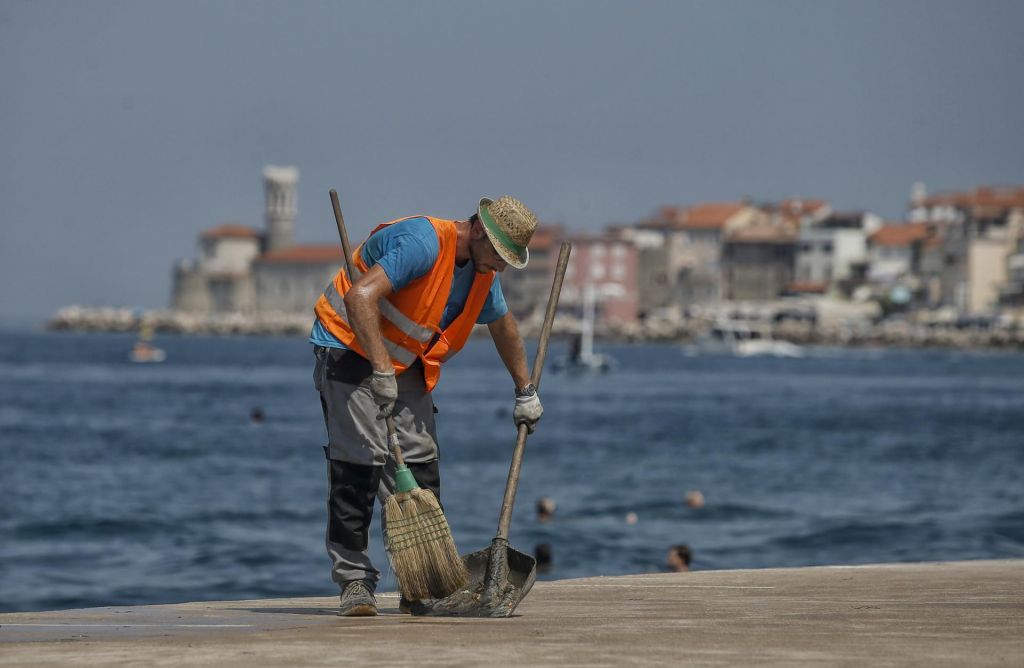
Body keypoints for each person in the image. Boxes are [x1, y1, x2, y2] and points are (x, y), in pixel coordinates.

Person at [311, 195, 544, 616]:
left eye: (509, 259)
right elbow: (360, 298)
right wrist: (381, 371)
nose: (501, 267)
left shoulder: (481, 272)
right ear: (476, 230)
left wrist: (524, 389)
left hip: (404, 362)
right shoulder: (423, 243)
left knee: (420, 467)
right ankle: (355, 581)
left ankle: (419, 584)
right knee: (358, 465)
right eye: (498, 254)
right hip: (348, 348)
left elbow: (503, 326)